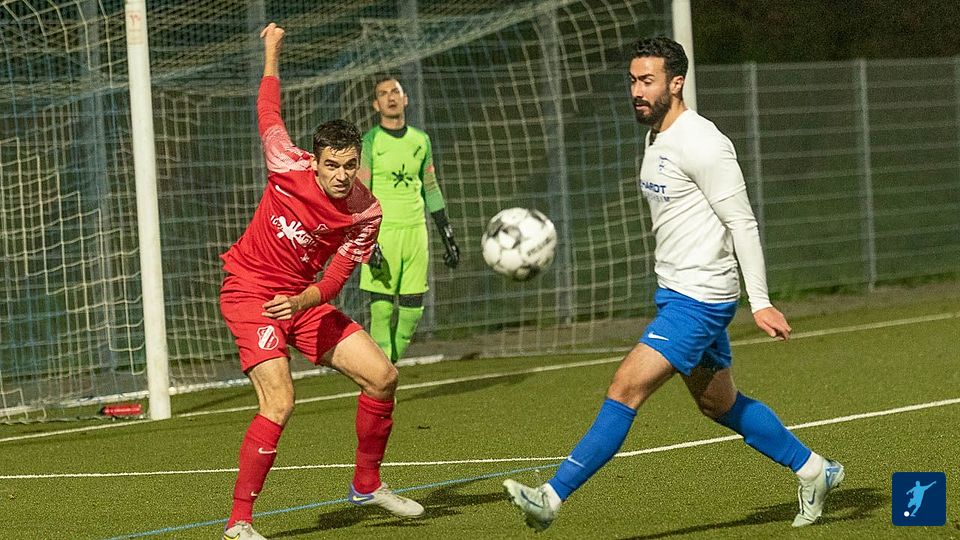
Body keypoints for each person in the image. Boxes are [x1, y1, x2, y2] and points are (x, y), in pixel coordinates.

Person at [502, 36, 844, 532]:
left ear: (676, 83)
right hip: (677, 294)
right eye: (632, 81)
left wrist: (761, 302)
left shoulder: (703, 143)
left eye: (647, 81)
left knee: (625, 388)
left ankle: (550, 498)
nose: (636, 91)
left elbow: (743, 223)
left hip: (700, 300)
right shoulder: (655, 137)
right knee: (718, 404)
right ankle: (814, 470)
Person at [218, 23, 424, 540]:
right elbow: (268, 110)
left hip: (301, 301)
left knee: (383, 377)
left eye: (350, 166)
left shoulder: (366, 212)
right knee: (280, 401)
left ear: (359, 163)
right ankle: (239, 523)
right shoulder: (286, 163)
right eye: (332, 165)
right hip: (250, 292)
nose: (340, 175)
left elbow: (333, 280)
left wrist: (300, 301)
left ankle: (366, 485)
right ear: (315, 160)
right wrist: (272, 50)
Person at [356, 77, 459, 363]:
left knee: (413, 310)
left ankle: (386, 368)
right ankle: (382, 377)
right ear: (376, 105)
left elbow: (431, 188)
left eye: (395, 92)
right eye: (383, 94)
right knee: (382, 309)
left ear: (405, 99)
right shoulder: (370, 141)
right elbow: (361, 192)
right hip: (383, 233)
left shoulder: (420, 140)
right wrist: (367, 239)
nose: (390, 97)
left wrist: (447, 234)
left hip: (416, 233)